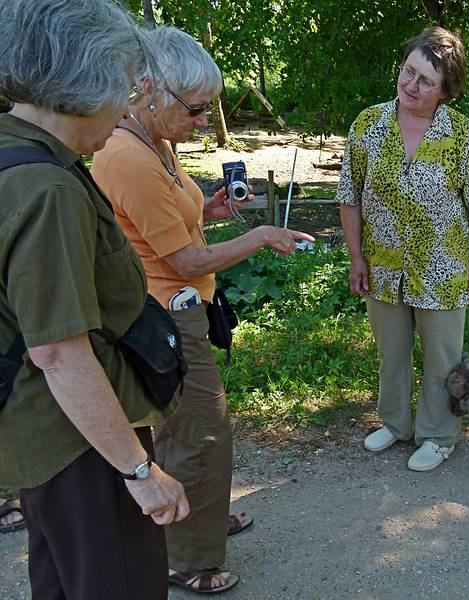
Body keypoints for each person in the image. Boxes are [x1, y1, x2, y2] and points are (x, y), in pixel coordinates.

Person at [92, 26, 314, 594]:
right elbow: (186, 260)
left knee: (191, 430)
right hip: (161, 316)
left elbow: (169, 225)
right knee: (199, 433)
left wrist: (210, 210)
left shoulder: (155, 142)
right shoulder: (127, 156)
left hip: (182, 310)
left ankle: (202, 520)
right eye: (196, 110)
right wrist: (261, 234)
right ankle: (186, 557)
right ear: (149, 89)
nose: (200, 122)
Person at [0, 1, 190, 599]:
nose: (128, 105)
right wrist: (140, 470)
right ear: (83, 82)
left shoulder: (20, 152)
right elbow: (58, 351)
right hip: (82, 445)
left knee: (64, 584)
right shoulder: (47, 187)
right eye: (124, 87)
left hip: (48, 437)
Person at [338, 27, 469, 472]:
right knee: (392, 351)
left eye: (426, 81)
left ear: (446, 90)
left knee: (443, 358)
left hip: (443, 269)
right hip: (382, 266)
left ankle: (438, 435)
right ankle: (395, 423)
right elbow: (349, 196)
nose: (411, 85)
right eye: (409, 72)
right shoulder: (368, 126)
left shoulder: (465, 137)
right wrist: (356, 257)